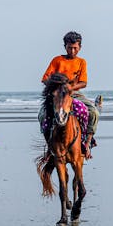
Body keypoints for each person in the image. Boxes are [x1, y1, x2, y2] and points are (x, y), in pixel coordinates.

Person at [41, 31, 99, 159]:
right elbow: (45, 78)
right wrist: (55, 88)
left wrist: (69, 88)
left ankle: (87, 143)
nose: (72, 51)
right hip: (57, 95)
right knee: (42, 115)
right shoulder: (57, 60)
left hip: (74, 93)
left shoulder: (81, 62)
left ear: (80, 47)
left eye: (75, 48)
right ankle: (49, 147)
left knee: (94, 112)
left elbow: (83, 83)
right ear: (65, 47)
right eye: (69, 48)